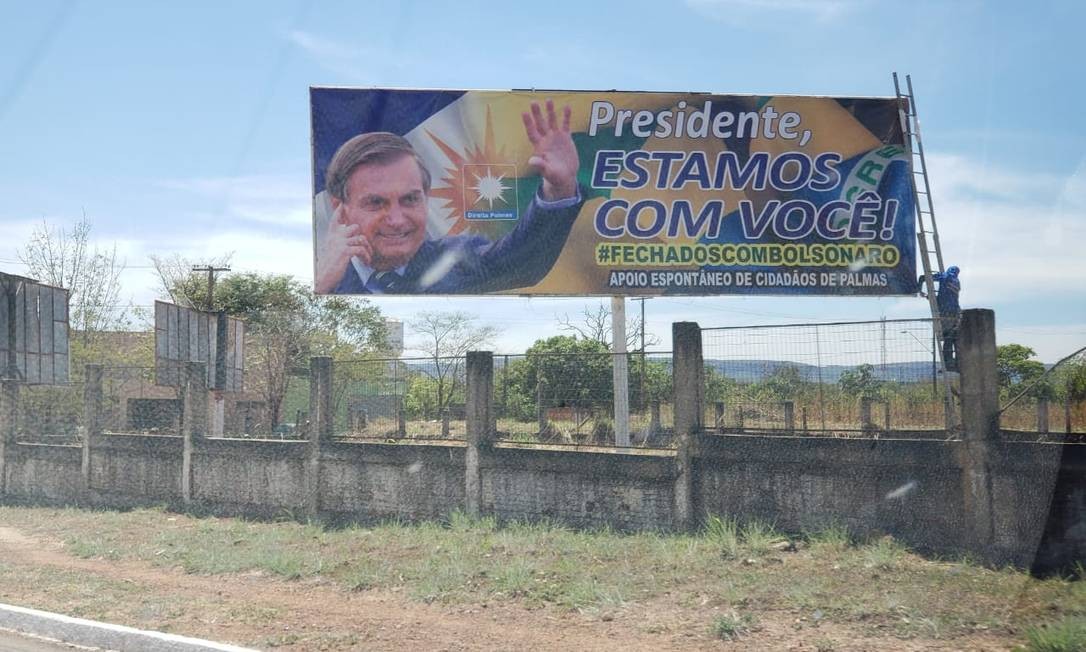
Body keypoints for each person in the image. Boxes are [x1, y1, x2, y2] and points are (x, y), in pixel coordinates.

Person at [315, 100, 583, 295]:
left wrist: (559, 190)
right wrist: (322, 283)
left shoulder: (454, 260)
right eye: (376, 203)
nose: (397, 220)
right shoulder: (325, 277)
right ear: (341, 208)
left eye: (410, 200)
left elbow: (523, 263)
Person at [932, 265, 961, 371]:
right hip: (956, 312)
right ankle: (958, 363)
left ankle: (948, 363)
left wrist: (919, 286)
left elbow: (928, 278)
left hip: (945, 312)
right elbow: (948, 295)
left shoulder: (945, 276)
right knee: (955, 338)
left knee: (948, 337)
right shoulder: (957, 282)